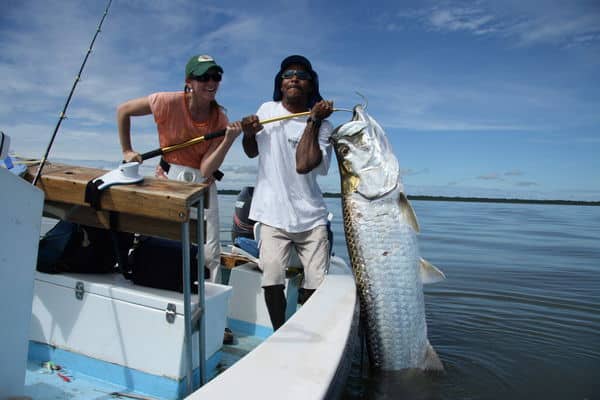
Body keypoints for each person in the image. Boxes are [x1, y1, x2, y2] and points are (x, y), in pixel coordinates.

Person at [117, 54, 242, 284]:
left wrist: (228, 140)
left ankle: (207, 301)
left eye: (216, 77)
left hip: (202, 185)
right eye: (204, 77)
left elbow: (206, 169)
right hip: (168, 178)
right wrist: (127, 150)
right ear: (189, 82)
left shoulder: (220, 119)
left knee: (210, 253)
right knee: (159, 240)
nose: (211, 83)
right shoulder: (166, 101)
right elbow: (124, 110)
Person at [241, 55, 334, 331]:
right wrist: (248, 134)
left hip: (311, 217)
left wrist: (313, 121)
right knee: (271, 275)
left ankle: (310, 329)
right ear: (280, 84)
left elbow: (304, 164)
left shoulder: (324, 125)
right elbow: (251, 151)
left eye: (301, 75)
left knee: (316, 282)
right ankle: (280, 332)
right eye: (288, 74)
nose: (294, 77)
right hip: (272, 212)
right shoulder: (268, 110)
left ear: (311, 85)